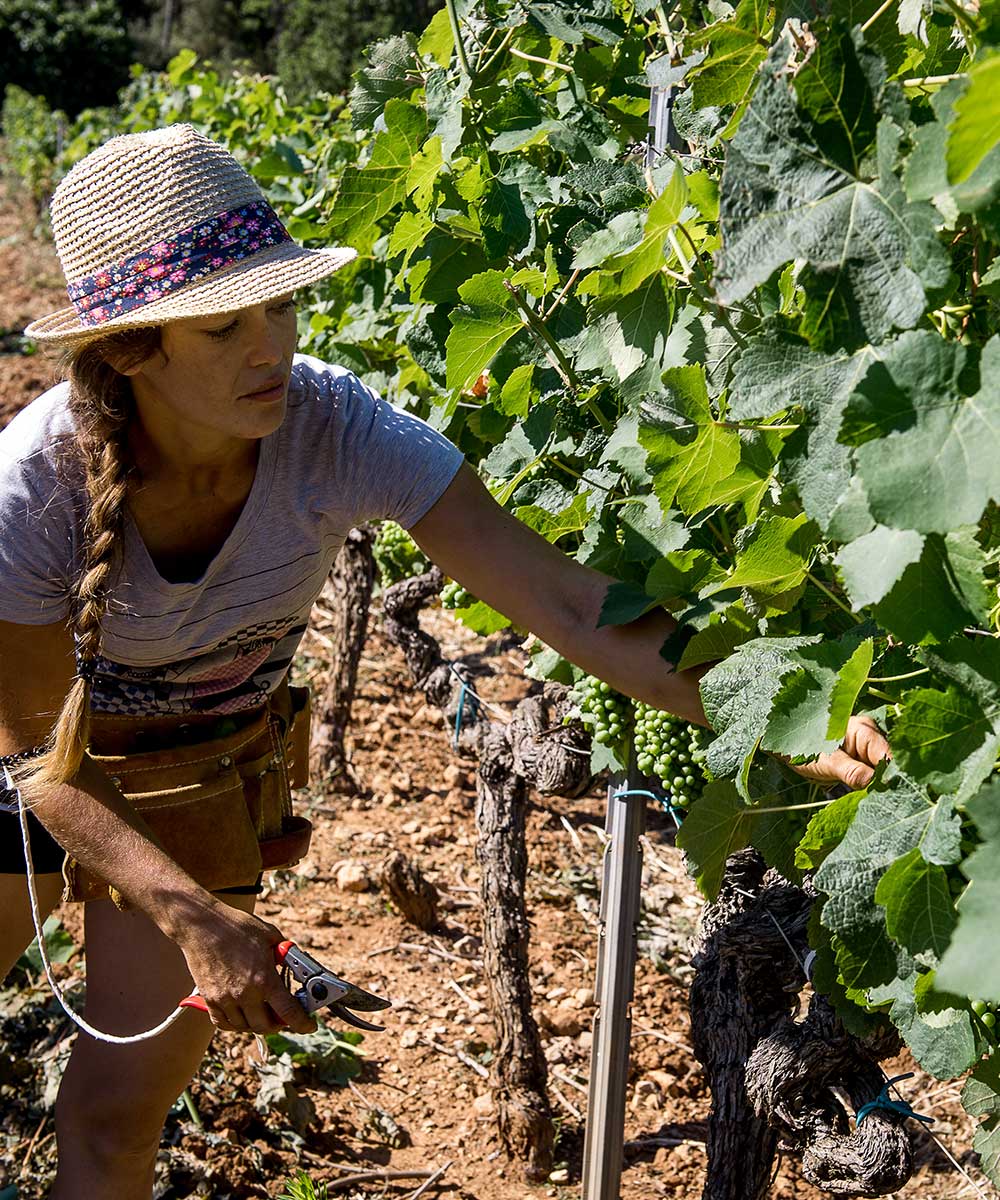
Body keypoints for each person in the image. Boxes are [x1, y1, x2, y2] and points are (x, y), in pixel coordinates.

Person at [0, 123, 888, 1199]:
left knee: (112, 1119)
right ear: (131, 350)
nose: (270, 346)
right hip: (37, 765)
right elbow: (44, 767)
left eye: (282, 304)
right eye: (226, 324)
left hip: (195, 773)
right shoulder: (31, 490)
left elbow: (568, 602)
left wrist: (785, 718)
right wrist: (193, 914)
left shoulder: (335, 429)